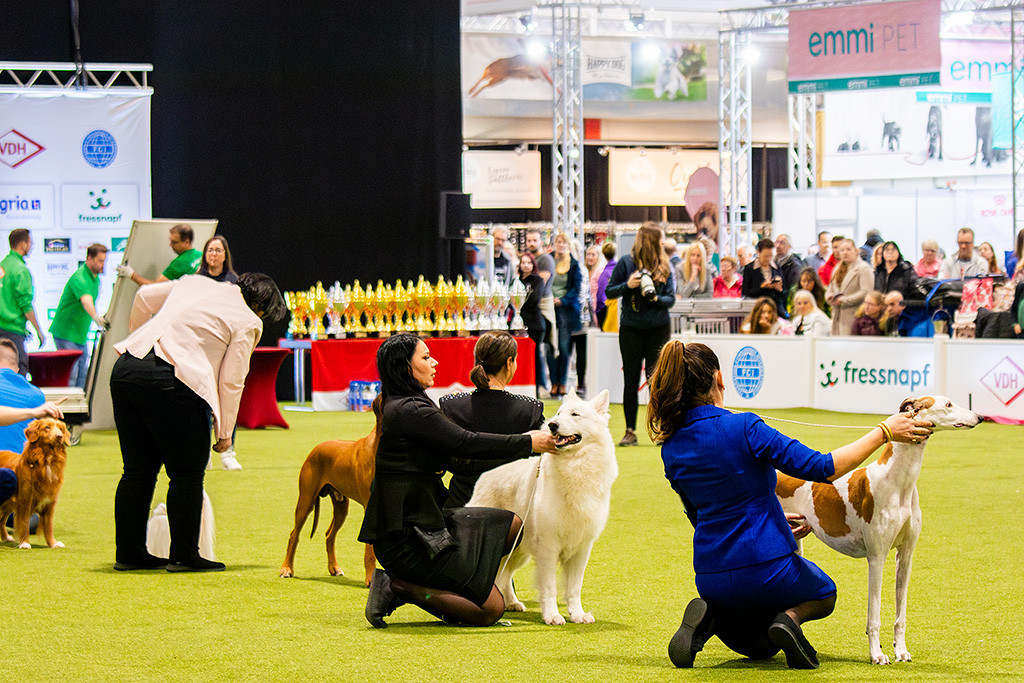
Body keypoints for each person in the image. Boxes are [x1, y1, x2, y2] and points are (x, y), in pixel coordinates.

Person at [647, 341, 932, 670]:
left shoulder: (671, 448)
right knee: (824, 593)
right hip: (767, 568)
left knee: (758, 648)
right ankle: (789, 619)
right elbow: (823, 467)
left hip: (709, 576)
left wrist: (774, 516)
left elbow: (701, 515)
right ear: (720, 379)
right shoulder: (745, 427)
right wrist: (884, 432)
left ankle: (711, 618)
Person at [357, 334, 557, 628]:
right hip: (407, 540)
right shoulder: (411, 410)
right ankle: (397, 587)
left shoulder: (410, 403)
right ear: (404, 367)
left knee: (512, 524)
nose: (433, 362)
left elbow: (461, 455)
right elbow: (464, 443)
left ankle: (457, 581)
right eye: (425, 358)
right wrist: (527, 443)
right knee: (489, 609)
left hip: (429, 524)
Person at [110, 273, 286, 572]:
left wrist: (143, 339)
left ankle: (129, 553)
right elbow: (232, 381)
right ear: (261, 306)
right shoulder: (248, 320)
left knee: (137, 471)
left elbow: (142, 298)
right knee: (187, 473)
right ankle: (184, 555)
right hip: (174, 379)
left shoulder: (197, 282)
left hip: (127, 366)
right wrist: (226, 434)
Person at [439, 331, 544, 508]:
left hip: (460, 506)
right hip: (512, 510)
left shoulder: (451, 406)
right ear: (509, 363)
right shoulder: (529, 410)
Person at [604, 222, 676, 447]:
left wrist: (656, 298)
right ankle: (630, 430)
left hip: (658, 329)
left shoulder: (665, 266)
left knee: (657, 382)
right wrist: (628, 285)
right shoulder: (626, 263)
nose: (663, 242)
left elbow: (671, 299)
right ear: (652, 240)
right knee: (631, 380)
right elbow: (610, 291)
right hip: (631, 329)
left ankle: (662, 429)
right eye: (661, 238)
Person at [48, 244, 110, 388]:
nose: (103, 264)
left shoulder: (95, 279)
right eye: (100, 261)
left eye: (104, 260)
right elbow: (86, 301)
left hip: (79, 335)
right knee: (71, 374)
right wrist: (96, 318)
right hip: (66, 334)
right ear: (89, 259)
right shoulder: (80, 278)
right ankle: (69, 409)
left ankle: (80, 408)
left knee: (83, 373)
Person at [0, 229, 46, 376]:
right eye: (30, 242)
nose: (31, 246)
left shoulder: (3, 265)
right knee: (18, 373)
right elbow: (26, 305)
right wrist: (38, 330)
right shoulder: (20, 270)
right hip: (13, 332)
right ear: (23, 244)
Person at [548, 233, 582, 398]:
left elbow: (576, 288)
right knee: (549, 347)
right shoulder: (547, 261)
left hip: (565, 310)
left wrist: (562, 300)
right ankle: (553, 382)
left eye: (564, 242)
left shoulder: (574, 265)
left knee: (563, 347)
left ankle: (562, 382)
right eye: (558, 242)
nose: (561, 245)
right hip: (547, 308)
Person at [116, 223, 202, 286]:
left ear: (186, 242)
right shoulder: (201, 255)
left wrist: (131, 274)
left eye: (174, 242)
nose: (170, 245)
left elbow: (154, 288)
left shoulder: (179, 263)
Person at [525, 229, 555, 392]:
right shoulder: (529, 259)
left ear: (540, 241)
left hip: (543, 307)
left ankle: (543, 384)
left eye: (534, 240)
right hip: (530, 310)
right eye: (529, 240)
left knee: (546, 348)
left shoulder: (546, 260)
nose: (531, 243)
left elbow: (539, 286)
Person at [825, 238, 874, 336]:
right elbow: (830, 288)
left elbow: (866, 292)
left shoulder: (864, 268)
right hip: (836, 317)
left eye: (848, 249)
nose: (845, 253)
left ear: (856, 251)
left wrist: (843, 300)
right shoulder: (837, 269)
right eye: (842, 250)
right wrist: (829, 296)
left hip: (854, 317)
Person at [517, 252, 545, 395]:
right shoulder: (516, 281)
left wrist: (520, 304)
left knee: (535, 357)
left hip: (534, 324)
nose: (526, 265)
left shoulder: (537, 280)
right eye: (523, 262)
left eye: (529, 263)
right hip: (518, 323)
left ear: (533, 265)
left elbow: (535, 299)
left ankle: (537, 386)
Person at [742, 238, 786, 317]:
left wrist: (779, 289)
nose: (768, 259)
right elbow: (746, 293)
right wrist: (762, 287)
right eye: (766, 256)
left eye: (771, 256)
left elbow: (784, 293)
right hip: (758, 309)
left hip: (776, 309)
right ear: (758, 252)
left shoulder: (776, 267)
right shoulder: (750, 269)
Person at [595, 241, 617, 328]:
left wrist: (598, 311)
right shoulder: (620, 270)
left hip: (607, 310)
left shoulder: (604, 274)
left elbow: (600, 296)